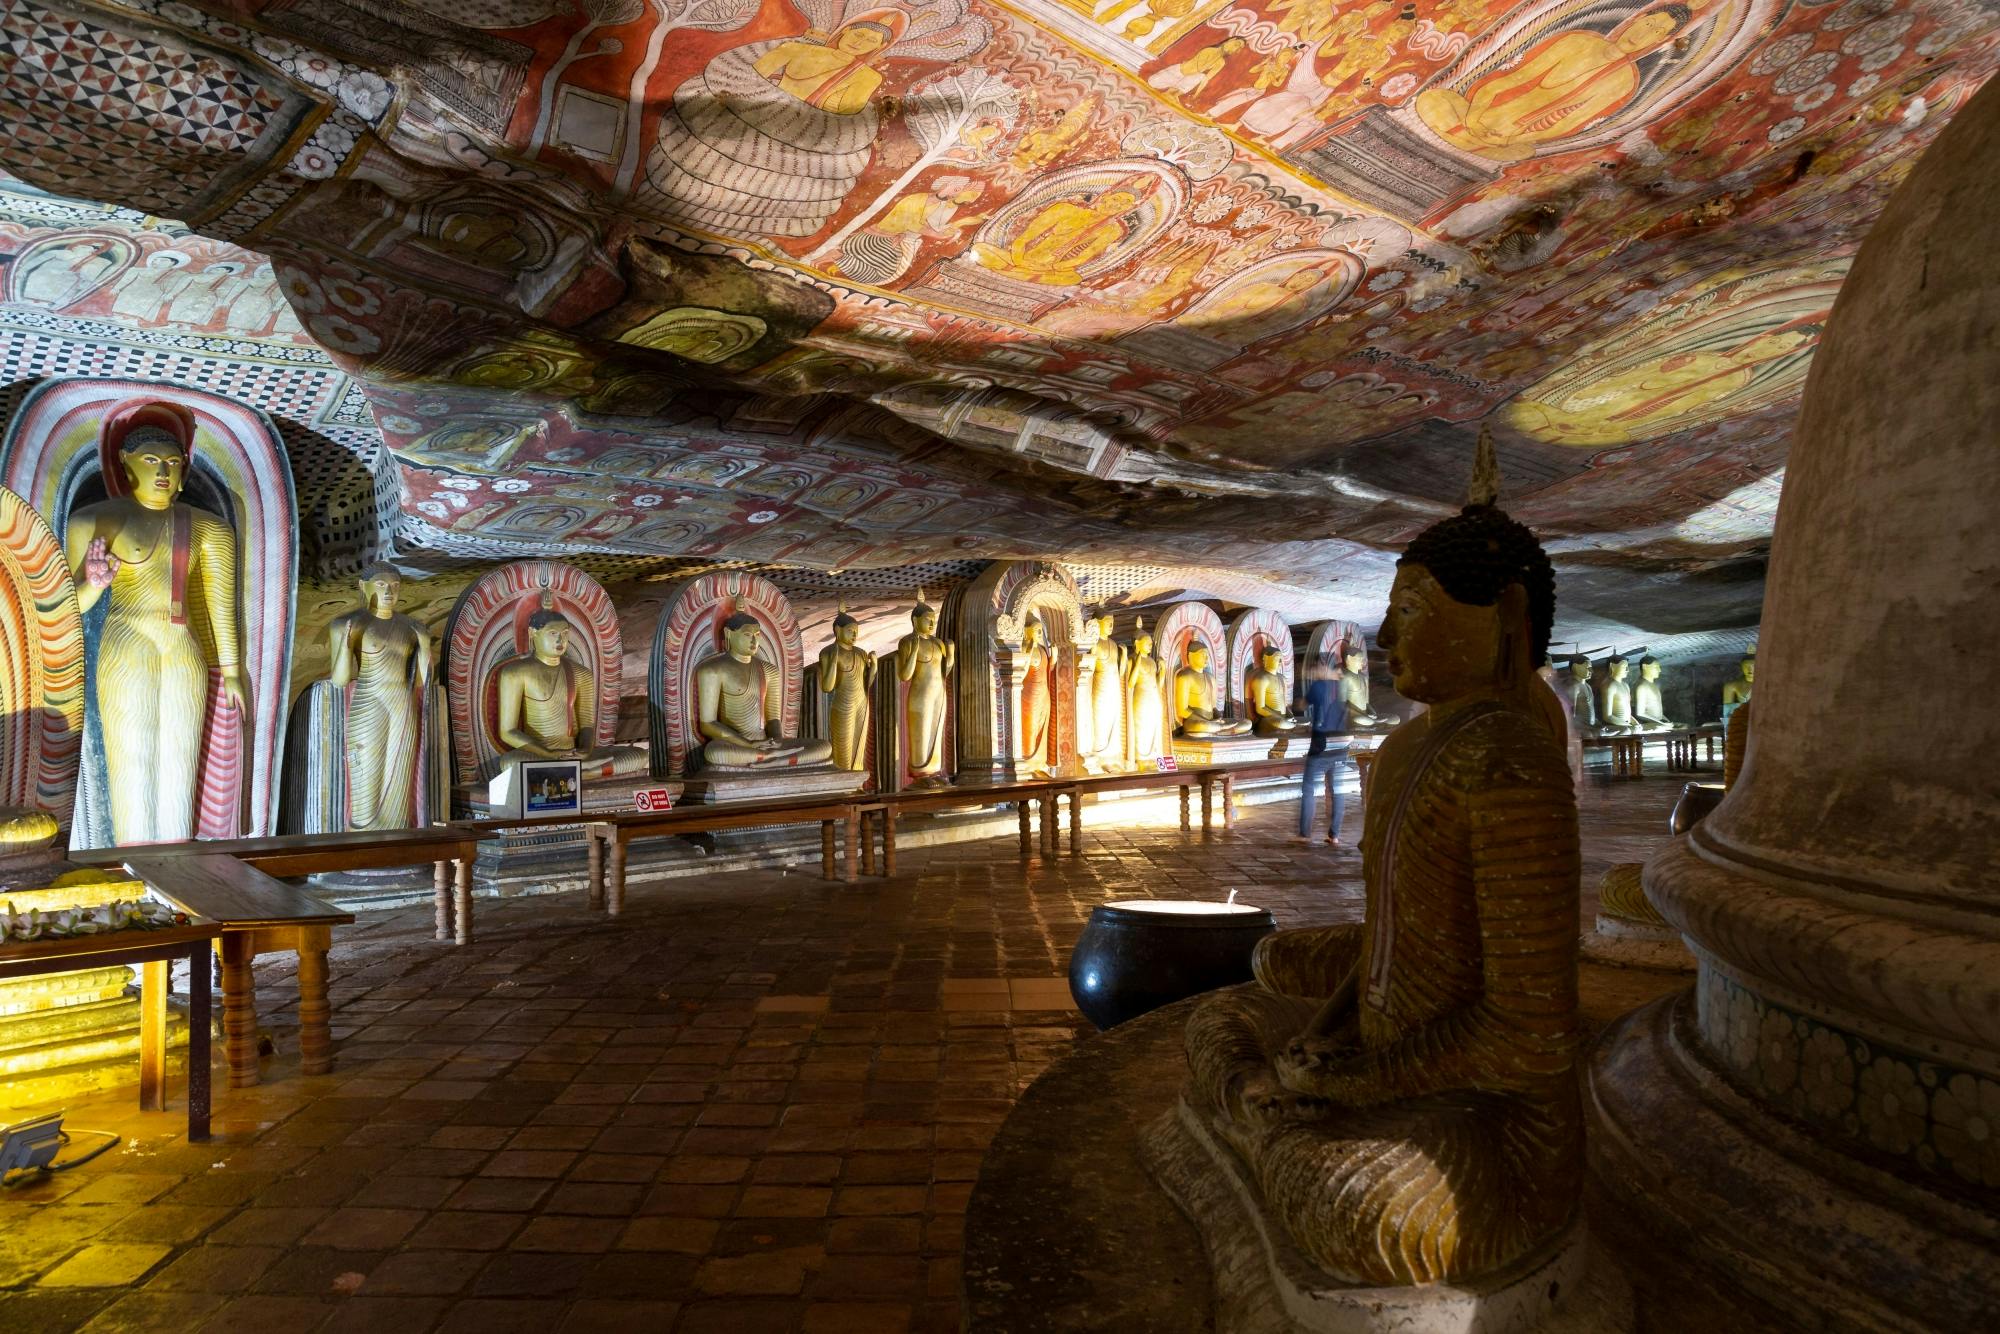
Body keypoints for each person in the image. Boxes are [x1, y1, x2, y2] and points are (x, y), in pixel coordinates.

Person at [1294, 657, 1349, 844]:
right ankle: (1334, 835)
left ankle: (1304, 834)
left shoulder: (1319, 686)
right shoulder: (1343, 686)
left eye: (1316, 668)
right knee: (1338, 789)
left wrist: (1298, 701)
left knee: (1309, 788)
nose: (1315, 672)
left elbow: (1302, 705)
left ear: (1325, 667)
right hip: (1341, 743)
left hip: (1322, 743)